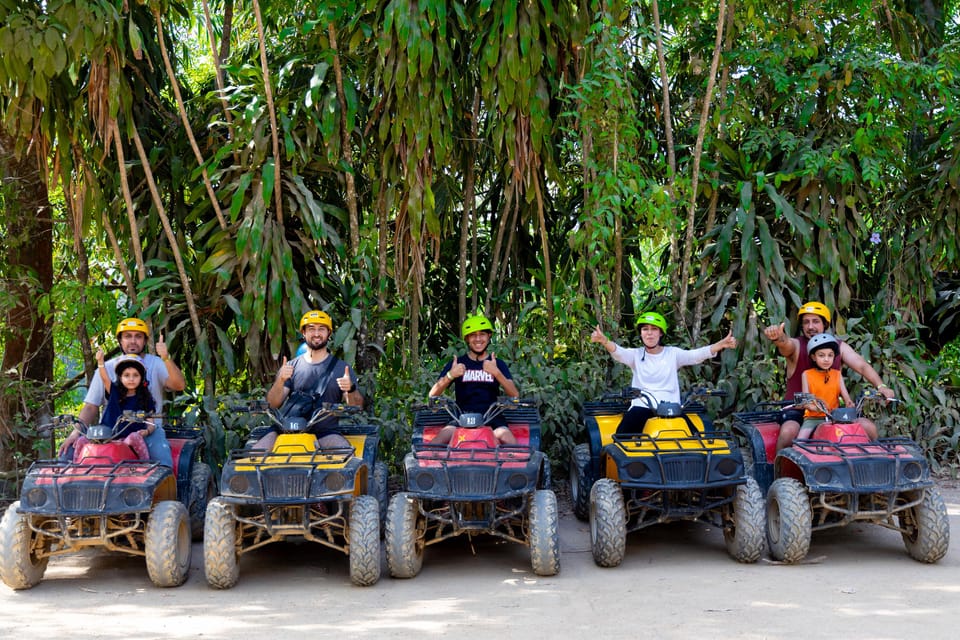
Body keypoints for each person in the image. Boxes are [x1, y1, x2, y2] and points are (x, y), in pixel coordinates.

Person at [764, 301, 892, 450]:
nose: (810, 326)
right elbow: (785, 344)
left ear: (825, 324)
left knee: (869, 427)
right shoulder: (797, 345)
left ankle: (873, 458)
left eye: (815, 321)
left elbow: (862, 365)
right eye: (806, 322)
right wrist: (778, 337)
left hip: (831, 412)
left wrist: (881, 386)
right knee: (788, 432)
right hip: (797, 410)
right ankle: (780, 464)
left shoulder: (837, 346)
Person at [60, 317, 185, 466]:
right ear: (120, 340)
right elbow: (90, 406)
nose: (133, 341)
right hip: (109, 432)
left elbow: (179, 385)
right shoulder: (107, 367)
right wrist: (75, 433)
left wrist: (165, 357)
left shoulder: (156, 363)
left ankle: (162, 478)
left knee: (162, 461)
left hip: (146, 431)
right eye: (127, 336)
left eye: (138, 336)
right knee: (66, 454)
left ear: (145, 341)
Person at [591, 311, 737, 434]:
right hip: (642, 407)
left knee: (696, 438)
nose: (649, 333)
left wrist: (721, 344)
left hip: (672, 409)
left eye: (654, 329)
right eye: (645, 329)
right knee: (621, 438)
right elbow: (618, 352)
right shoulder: (635, 355)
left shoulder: (672, 353)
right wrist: (604, 341)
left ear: (661, 333)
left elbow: (695, 355)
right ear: (641, 333)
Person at [255, 310, 363, 450]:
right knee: (252, 456)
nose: (316, 333)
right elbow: (272, 404)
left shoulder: (342, 368)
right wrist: (280, 380)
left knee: (345, 455)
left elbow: (356, 407)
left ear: (329, 333)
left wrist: (351, 389)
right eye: (311, 329)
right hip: (286, 430)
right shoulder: (291, 366)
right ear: (304, 333)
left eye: (321, 329)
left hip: (324, 432)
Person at [428, 313, 520, 445]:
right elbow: (432, 395)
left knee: (513, 446)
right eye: (473, 335)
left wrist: (497, 373)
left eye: (482, 334)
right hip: (461, 419)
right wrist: (451, 375)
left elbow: (514, 395)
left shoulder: (498, 364)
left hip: (492, 419)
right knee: (434, 445)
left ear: (489, 336)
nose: (478, 339)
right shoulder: (457, 363)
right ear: (467, 339)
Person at [71, 354, 154, 461]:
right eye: (126, 375)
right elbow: (105, 378)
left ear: (141, 377)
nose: (131, 379)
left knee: (135, 437)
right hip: (104, 437)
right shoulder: (115, 392)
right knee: (82, 440)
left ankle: (145, 464)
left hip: (126, 439)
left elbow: (151, 422)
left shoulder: (146, 398)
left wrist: (147, 431)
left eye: (135, 375)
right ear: (120, 377)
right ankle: (76, 466)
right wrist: (100, 362)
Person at [799, 333, 878, 440]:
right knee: (800, 441)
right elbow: (805, 402)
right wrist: (815, 408)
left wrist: (849, 403)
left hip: (835, 417)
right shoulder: (807, 375)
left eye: (830, 355)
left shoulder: (837, 374)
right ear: (813, 357)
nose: (826, 359)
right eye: (821, 355)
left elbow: (846, 398)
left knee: (855, 436)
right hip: (813, 418)